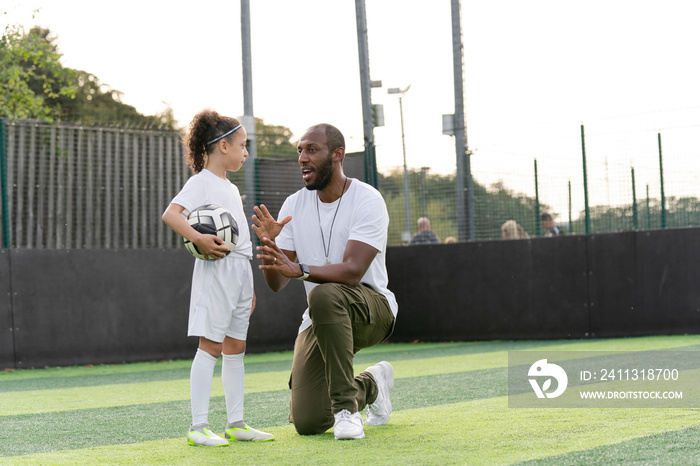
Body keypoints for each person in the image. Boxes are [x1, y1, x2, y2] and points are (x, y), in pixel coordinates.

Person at [251, 123, 397, 440]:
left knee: (324, 294)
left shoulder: (367, 199)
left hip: (371, 309)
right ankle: (372, 383)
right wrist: (270, 248)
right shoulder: (293, 205)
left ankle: (347, 410)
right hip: (320, 316)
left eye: (312, 150)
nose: (303, 158)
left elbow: (353, 271)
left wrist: (300, 268)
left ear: (337, 155)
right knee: (308, 420)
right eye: (300, 151)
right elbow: (277, 284)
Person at [162, 109, 274, 447]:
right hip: (217, 271)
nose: (246, 152)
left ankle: (236, 423)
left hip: (240, 271)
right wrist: (197, 238)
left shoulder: (228, 186)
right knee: (210, 345)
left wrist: (249, 285)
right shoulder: (200, 182)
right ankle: (198, 426)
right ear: (222, 146)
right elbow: (171, 215)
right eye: (242, 145)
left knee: (236, 346)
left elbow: (240, 242)